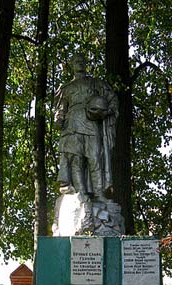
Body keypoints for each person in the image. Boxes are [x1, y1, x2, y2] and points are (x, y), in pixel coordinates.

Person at [55, 54, 118, 203]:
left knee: (95, 158)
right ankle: (81, 193)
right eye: (76, 61)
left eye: (82, 61)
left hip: (91, 123)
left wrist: (108, 110)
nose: (79, 64)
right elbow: (60, 109)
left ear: (85, 63)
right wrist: (59, 119)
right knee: (77, 160)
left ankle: (99, 194)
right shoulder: (66, 88)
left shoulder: (95, 83)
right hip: (73, 124)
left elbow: (111, 97)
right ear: (72, 65)